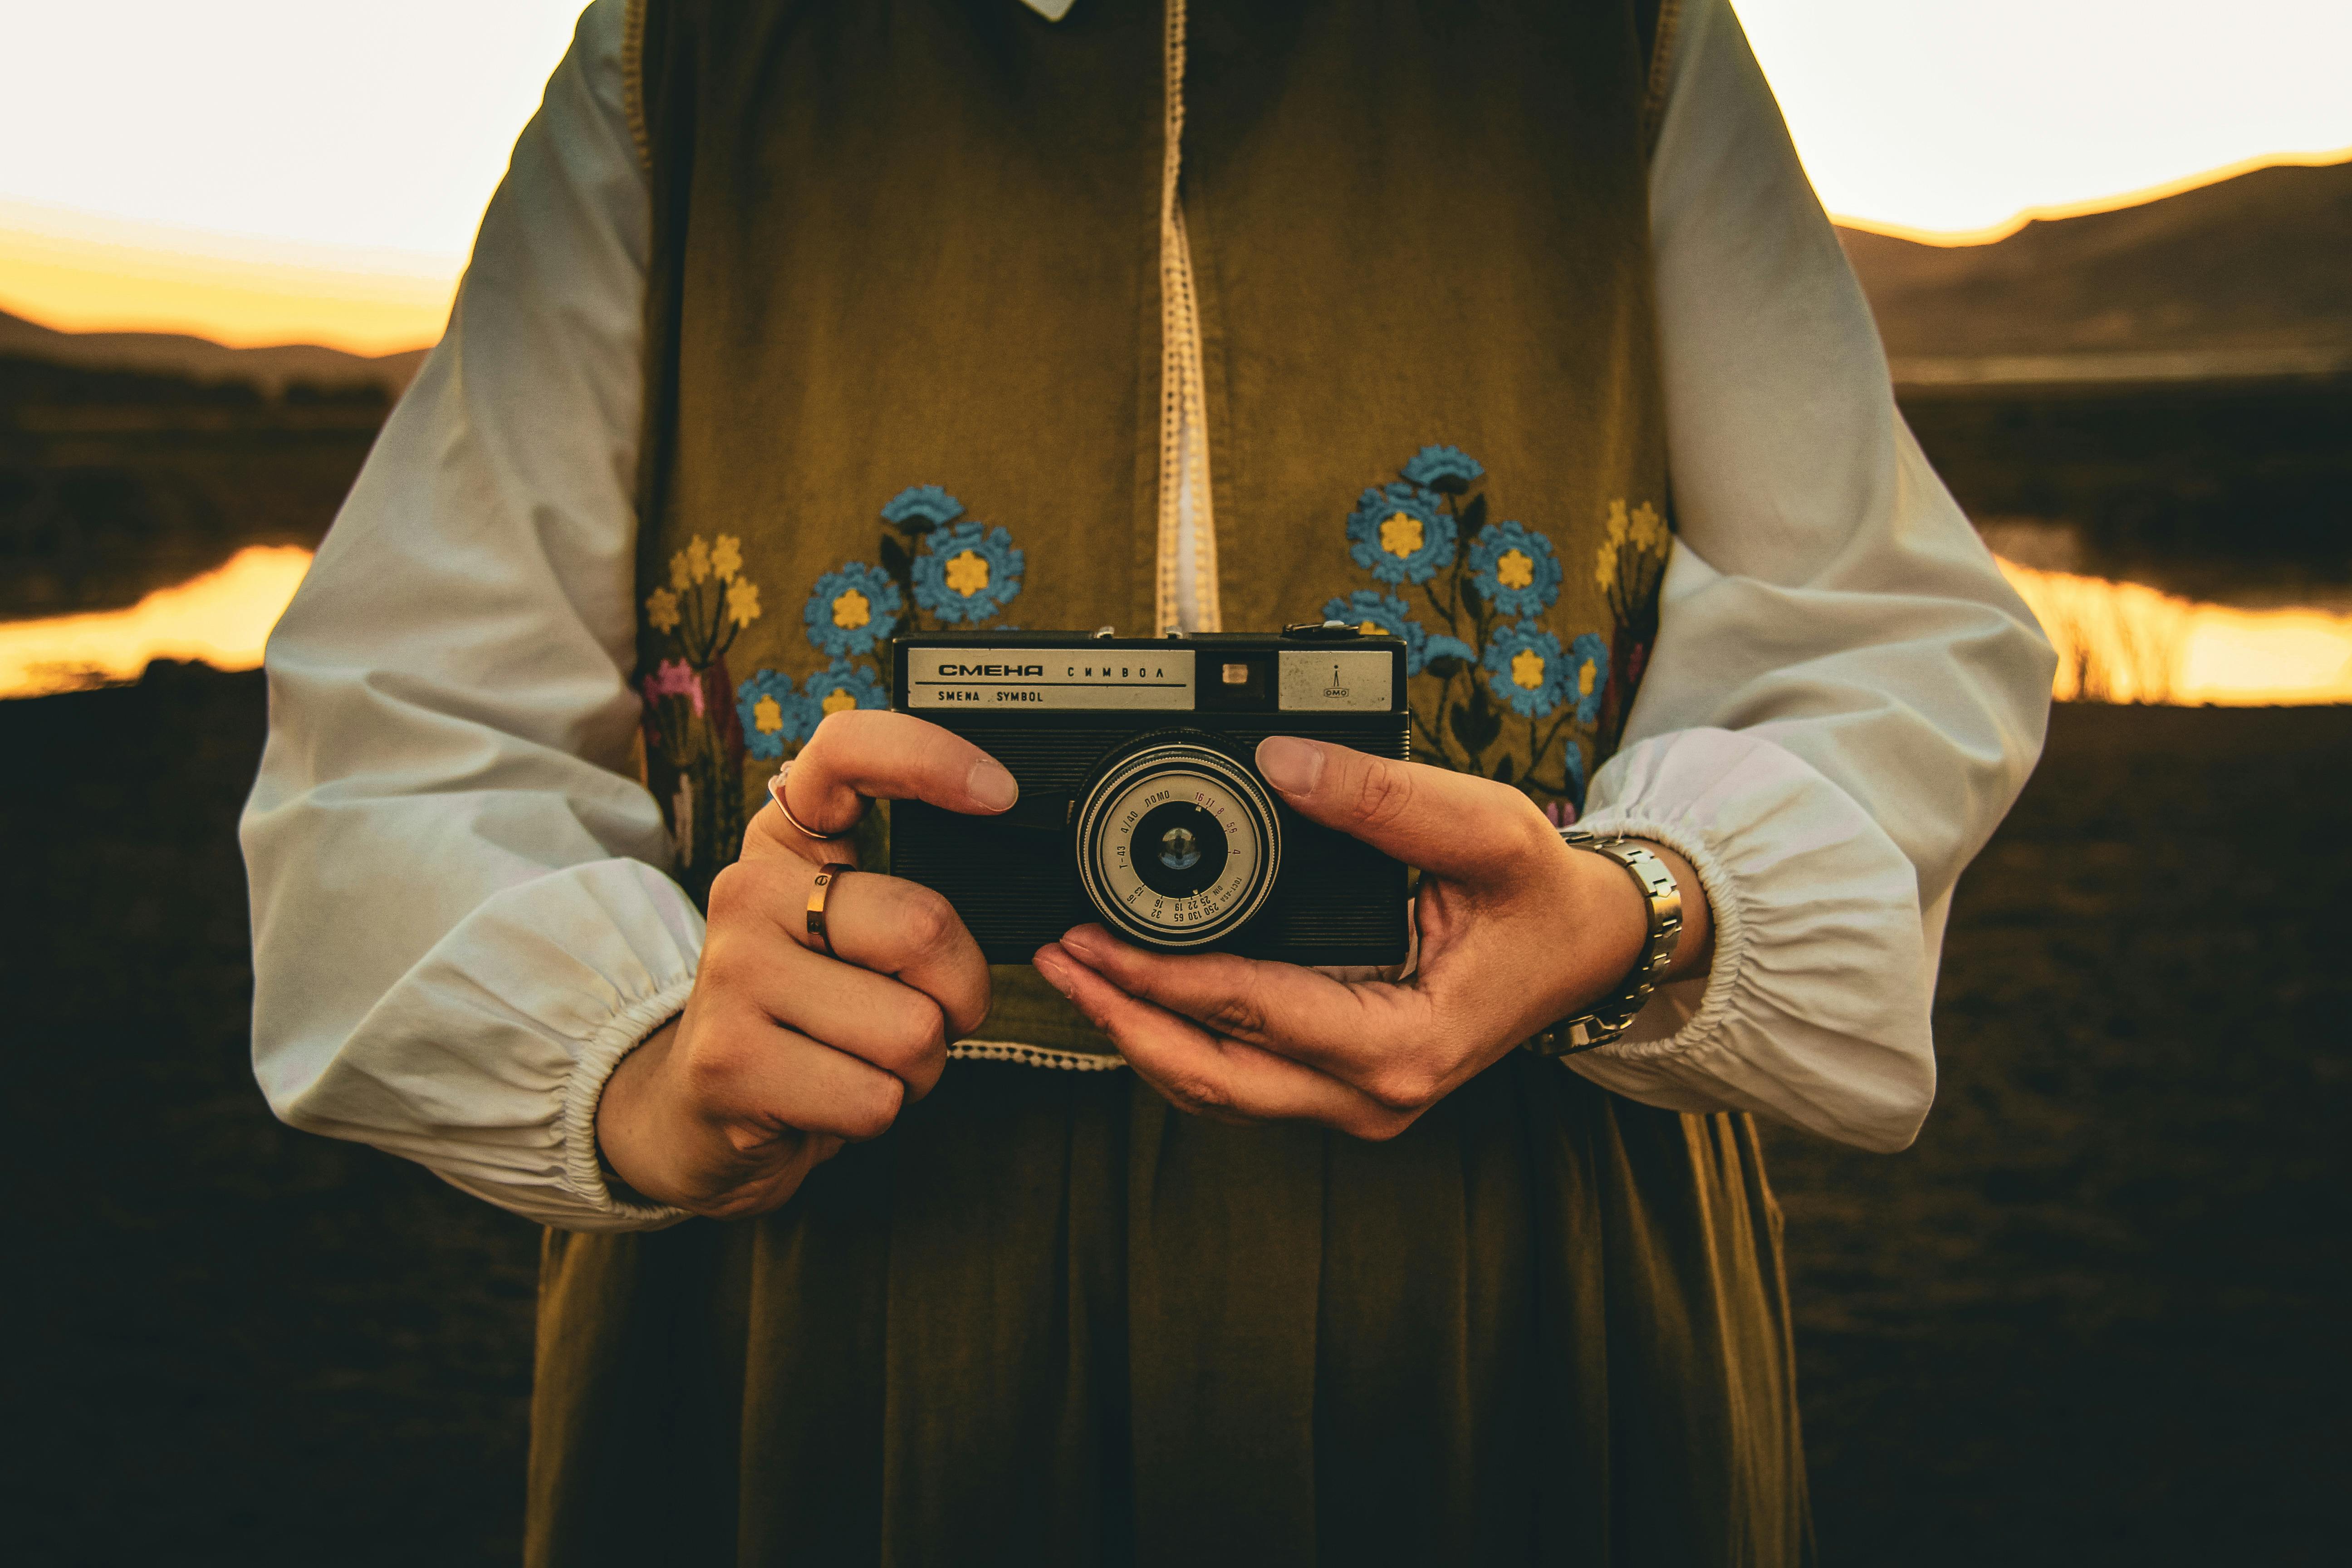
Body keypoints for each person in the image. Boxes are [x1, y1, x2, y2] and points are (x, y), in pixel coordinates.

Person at [240, 0, 2054, 1562]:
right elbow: (407, 726)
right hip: (829, 1302)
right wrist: (645, 1069)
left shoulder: (1615, 34)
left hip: (1519, 1282)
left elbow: (1878, 632)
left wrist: (1632, 910)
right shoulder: (692, 46)